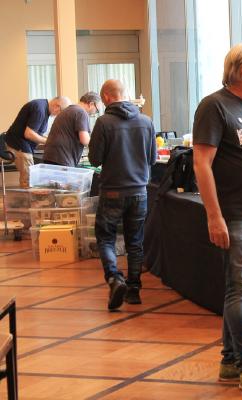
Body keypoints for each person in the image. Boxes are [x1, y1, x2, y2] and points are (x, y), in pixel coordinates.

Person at [192, 42, 242, 398]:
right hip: (235, 214)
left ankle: (230, 358)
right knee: (240, 287)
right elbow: (201, 164)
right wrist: (214, 216)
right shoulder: (214, 106)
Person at [88, 79, 156, 311]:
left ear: (107, 97)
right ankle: (134, 291)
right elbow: (152, 159)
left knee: (106, 237)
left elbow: (94, 159)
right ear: (125, 94)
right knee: (135, 241)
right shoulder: (146, 121)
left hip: (112, 191)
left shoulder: (103, 122)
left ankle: (114, 278)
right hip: (139, 191)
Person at [4, 96, 71, 187]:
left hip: (21, 144)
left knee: (30, 178)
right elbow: (29, 134)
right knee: (29, 179)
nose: (58, 115)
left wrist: (51, 139)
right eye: (61, 112)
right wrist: (49, 142)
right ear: (57, 106)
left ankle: (28, 194)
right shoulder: (39, 110)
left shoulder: (43, 108)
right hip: (19, 145)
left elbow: (36, 132)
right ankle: (27, 196)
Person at [43, 91, 101, 167]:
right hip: (63, 159)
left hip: (50, 156)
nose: (94, 113)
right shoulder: (81, 112)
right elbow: (84, 140)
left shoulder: (66, 110)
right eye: (97, 110)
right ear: (91, 104)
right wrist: (99, 146)